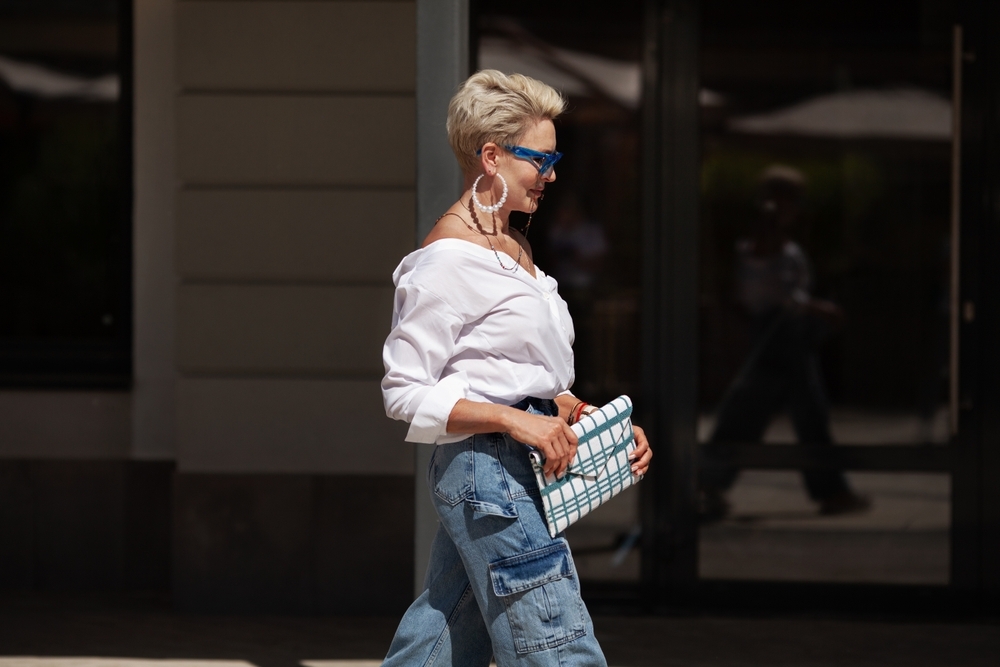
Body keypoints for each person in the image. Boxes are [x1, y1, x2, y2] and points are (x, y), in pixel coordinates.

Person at [380, 70, 652, 666]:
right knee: (558, 645)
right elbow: (403, 392)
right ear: (491, 157)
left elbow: (528, 378)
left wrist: (588, 417)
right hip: (489, 471)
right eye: (541, 159)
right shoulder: (445, 262)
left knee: (441, 640)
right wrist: (514, 420)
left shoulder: (515, 245)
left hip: (510, 469)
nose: (551, 174)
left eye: (555, 160)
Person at [700, 165, 870, 520]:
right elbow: (769, 288)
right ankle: (708, 484)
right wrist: (815, 308)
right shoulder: (765, 238)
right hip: (779, 332)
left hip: (787, 333)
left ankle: (709, 483)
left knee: (768, 412)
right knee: (781, 412)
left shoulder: (779, 240)